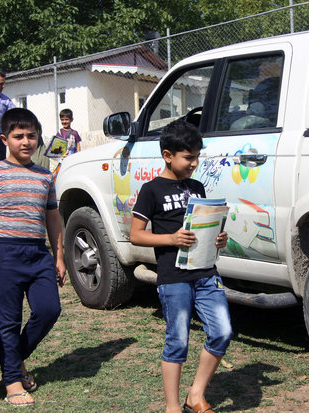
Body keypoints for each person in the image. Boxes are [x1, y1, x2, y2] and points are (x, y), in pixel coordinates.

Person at [129, 120, 233, 413]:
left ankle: (195, 395)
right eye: (188, 157)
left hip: (206, 273)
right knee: (178, 340)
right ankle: (172, 406)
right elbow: (135, 235)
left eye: (197, 156)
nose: (194, 163)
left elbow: (204, 227)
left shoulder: (197, 187)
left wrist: (218, 237)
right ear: (168, 155)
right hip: (173, 278)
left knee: (222, 331)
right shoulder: (152, 190)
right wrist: (171, 238)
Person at [0, 108, 66, 406]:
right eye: (18, 136)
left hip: (38, 255)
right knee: (7, 321)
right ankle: (12, 382)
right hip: (4, 253)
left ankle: (15, 358)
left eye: (31, 136)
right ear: (5, 139)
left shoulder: (45, 175)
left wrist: (59, 257)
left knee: (49, 310)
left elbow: (53, 220)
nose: (26, 142)